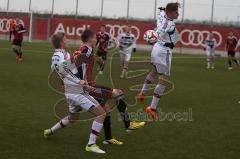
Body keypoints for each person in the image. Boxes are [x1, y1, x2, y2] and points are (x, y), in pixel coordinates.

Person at [73, 30, 145, 144]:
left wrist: (97, 59)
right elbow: (78, 62)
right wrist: (82, 81)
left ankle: (108, 138)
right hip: (88, 87)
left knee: (106, 109)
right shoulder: (86, 49)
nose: (96, 39)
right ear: (90, 39)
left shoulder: (83, 49)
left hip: (86, 86)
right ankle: (128, 124)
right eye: (94, 37)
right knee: (118, 94)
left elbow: (75, 62)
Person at [44, 32, 107, 154]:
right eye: (66, 39)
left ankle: (50, 131)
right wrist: (79, 80)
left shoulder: (62, 54)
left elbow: (57, 68)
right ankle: (91, 144)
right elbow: (61, 70)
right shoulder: (59, 54)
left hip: (71, 90)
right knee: (101, 114)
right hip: (76, 90)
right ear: (62, 42)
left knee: (73, 117)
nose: (67, 41)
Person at [137, 3, 180, 120]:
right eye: (176, 12)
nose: (178, 14)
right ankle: (152, 108)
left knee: (153, 72)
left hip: (156, 50)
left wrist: (164, 9)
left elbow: (162, 13)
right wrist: (166, 43)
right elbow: (159, 33)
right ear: (170, 13)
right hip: (163, 51)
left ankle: (142, 93)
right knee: (164, 79)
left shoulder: (161, 13)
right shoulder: (169, 23)